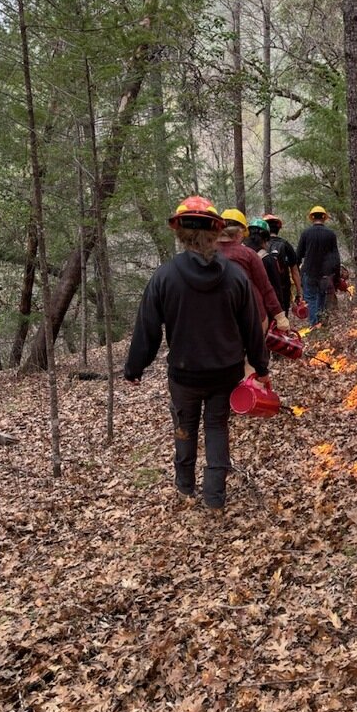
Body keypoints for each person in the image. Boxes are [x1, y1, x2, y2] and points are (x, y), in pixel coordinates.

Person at [123, 195, 271, 512]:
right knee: (216, 427)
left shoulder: (164, 277)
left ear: (180, 232)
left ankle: (185, 487)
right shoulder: (235, 278)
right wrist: (260, 365)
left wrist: (134, 368)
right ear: (215, 231)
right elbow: (252, 328)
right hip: (226, 373)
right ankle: (214, 497)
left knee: (184, 427)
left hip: (184, 374)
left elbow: (147, 329)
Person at [217, 210, 289, 334]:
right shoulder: (248, 255)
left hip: (218, 318)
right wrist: (280, 316)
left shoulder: (205, 255)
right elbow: (266, 288)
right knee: (257, 350)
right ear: (240, 233)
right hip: (251, 315)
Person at [296, 205, 341, 326]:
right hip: (325, 275)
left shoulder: (306, 233)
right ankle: (320, 325)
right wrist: (336, 276)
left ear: (312, 218)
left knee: (311, 300)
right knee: (321, 297)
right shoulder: (330, 234)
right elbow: (336, 257)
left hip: (309, 273)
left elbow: (298, 255)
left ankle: (314, 326)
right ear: (324, 218)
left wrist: (297, 274)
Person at [263, 213, 303, 317]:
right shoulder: (285, 245)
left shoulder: (258, 246)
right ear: (278, 228)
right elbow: (295, 271)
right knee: (282, 319)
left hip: (263, 291)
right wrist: (299, 292)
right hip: (283, 291)